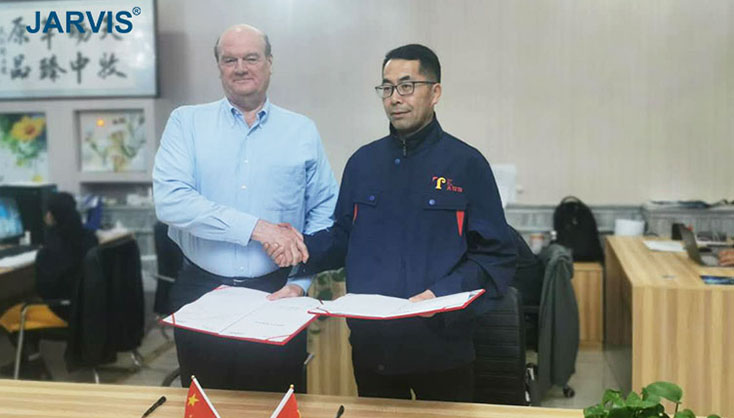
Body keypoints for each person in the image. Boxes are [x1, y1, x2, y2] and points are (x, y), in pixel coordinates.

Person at [270, 44, 517, 402]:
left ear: (435, 92)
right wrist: (301, 248)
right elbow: (343, 238)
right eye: (387, 88)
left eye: (406, 86)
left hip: (443, 349)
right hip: (374, 349)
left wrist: (441, 295)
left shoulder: (466, 164)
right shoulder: (363, 163)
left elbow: (495, 254)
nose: (394, 98)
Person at [152, 24, 338, 391]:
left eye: (251, 58)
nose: (240, 68)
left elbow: (324, 210)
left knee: (277, 403)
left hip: (277, 293)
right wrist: (259, 229)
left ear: (269, 63)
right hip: (202, 291)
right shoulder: (186, 123)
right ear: (219, 67)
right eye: (229, 60)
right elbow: (171, 201)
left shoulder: (301, 130)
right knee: (206, 404)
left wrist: (300, 282)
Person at [0, 192, 98, 379]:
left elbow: (43, 289)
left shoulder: (52, 248)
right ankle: (31, 358)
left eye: (47, 212)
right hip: (89, 308)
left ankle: (33, 364)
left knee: (9, 312)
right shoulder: (89, 238)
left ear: (52, 216)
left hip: (65, 310)